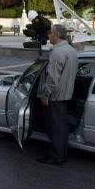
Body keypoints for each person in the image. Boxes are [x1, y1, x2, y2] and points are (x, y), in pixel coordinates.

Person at [37, 24, 78, 165]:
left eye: (50, 33)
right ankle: (61, 154)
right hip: (66, 94)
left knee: (55, 127)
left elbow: (53, 78)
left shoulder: (57, 53)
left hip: (56, 96)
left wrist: (45, 94)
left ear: (57, 35)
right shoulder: (71, 50)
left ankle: (56, 156)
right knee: (61, 126)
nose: (48, 36)